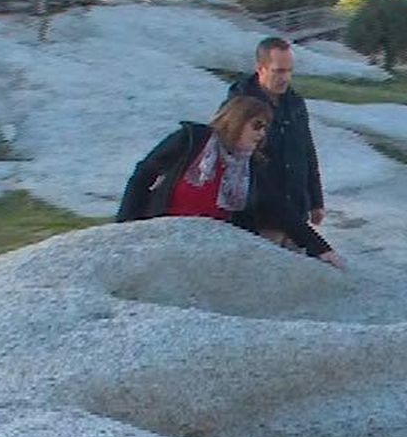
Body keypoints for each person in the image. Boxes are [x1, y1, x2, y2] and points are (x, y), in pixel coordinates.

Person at [115, 95, 345, 269]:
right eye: (256, 125)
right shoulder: (192, 140)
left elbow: (280, 209)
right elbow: (142, 177)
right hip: (165, 234)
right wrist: (124, 229)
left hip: (211, 246)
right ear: (237, 120)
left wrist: (321, 249)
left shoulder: (249, 166)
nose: (262, 134)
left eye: (265, 128)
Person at [224, 37, 325, 231]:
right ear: (260, 68)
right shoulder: (240, 103)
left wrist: (316, 200)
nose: (285, 78)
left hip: (295, 212)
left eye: (289, 71)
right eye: (278, 71)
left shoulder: (294, 103)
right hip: (258, 215)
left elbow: (306, 151)